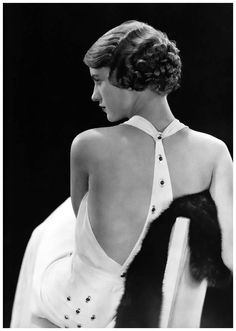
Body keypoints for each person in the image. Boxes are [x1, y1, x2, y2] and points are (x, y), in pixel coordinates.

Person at [11, 20, 232, 328]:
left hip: (81, 309)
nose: (94, 95)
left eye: (99, 80)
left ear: (126, 76)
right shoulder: (215, 152)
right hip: (153, 302)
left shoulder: (88, 145)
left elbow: (79, 222)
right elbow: (230, 249)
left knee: (50, 230)